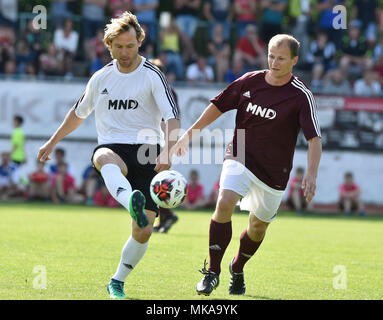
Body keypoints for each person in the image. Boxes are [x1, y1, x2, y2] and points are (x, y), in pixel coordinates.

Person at [37, 11, 180, 299]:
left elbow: (172, 116)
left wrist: (169, 149)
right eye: (119, 46)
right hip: (113, 145)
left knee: (143, 232)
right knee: (103, 157)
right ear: (109, 45)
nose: (124, 52)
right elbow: (78, 114)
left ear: (139, 42)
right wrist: (52, 141)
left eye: (130, 45)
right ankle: (131, 202)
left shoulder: (153, 75)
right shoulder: (100, 77)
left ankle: (117, 281)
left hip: (147, 153)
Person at [171, 34, 322, 296]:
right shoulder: (249, 81)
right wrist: (188, 134)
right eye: (271, 56)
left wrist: (311, 174)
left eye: (281, 58)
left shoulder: (301, 95)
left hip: (275, 171)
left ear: (294, 61)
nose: (274, 62)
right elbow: (217, 106)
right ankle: (213, 272)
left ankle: (237, 268)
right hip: (240, 154)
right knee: (225, 202)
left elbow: (314, 139)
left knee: (257, 227)